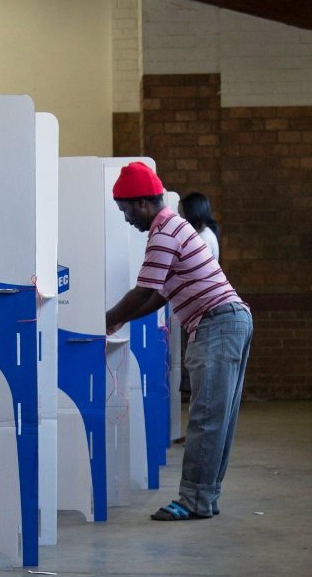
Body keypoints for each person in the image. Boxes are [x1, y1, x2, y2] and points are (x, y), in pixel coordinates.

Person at [104, 162, 253, 521]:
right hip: (228, 320)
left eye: (125, 211)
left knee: (206, 417)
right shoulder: (174, 227)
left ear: (141, 203)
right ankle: (205, 497)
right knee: (218, 417)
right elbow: (158, 296)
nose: (126, 220)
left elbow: (144, 291)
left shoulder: (164, 231)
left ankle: (193, 500)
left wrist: (103, 320)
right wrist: (118, 319)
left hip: (217, 323)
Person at [179, 191, 220, 260]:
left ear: (191, 213)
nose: (179, 217)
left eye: (181, 213)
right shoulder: (204, 232)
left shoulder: (204, 237)